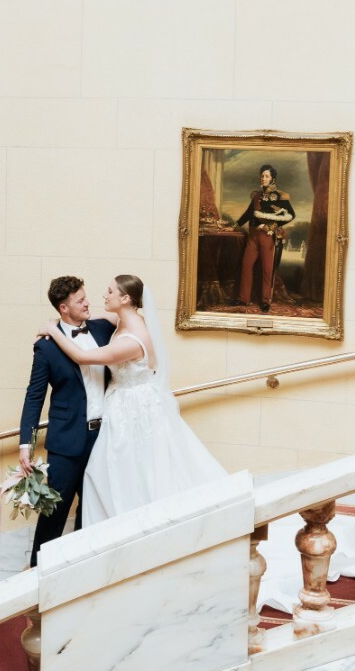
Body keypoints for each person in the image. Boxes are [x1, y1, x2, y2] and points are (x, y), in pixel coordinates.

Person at [36, 274, 226, 525]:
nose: (104, 296)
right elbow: (92, 317)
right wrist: (64, 321)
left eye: (110, 292)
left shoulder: (130, 340)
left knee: (134, 472)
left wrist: (52, 330)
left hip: (133, 408)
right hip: (120, 403)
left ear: (125, 298)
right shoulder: (124, 319)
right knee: (113, 473)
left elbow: (82, 357)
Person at [19, 275, 115, 566]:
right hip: (66, 443)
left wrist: (84, 315)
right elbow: (34, 397)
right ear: (63, 307)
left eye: (86, 296)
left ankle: (79, 580)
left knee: (92, 513)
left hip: (104, 439)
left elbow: (125, 314)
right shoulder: (46, 347)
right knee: (54, 515)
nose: (88, 302)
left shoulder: (102, 329)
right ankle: (36, 583)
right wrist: (26, 444)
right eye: (80, 300)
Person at [233, 164, 296, 313]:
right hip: (253, 236)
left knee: (267, 269)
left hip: (267, 236)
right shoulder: (256, 196)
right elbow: (249, 214)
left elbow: (290, 215)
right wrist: (235, 225)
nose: (263, 178)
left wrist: (273, 225)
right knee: (246, 265)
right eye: (262, 176)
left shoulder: (280, 196)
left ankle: (265, 301)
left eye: (266, 176)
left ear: (272, 178)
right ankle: (243, 298)